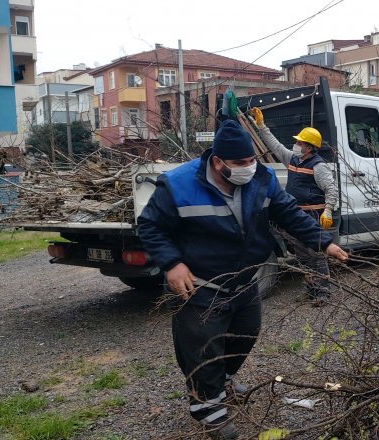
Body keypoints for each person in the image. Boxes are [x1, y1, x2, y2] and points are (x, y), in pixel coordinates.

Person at [137, 119, 348, 439]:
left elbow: (288, 213)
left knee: (244, 335)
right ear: (218, 162)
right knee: (202, 349)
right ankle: (209, 409)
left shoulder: (260, 179)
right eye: (240, 163)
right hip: (201, 285)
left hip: (244, 282)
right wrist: (171, 263)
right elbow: (151, 226)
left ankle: (222, 380)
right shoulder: (179, 184)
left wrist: (324, 241)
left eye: (251, 160)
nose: (249, 167)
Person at [249, 107, 339, 306]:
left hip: (314, 217)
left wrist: (328, 210)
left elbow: (331, 189)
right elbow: (274, 145)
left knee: (316, 256)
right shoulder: (293, 159)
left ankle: (323, 293)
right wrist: (261, 126)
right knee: (302, 257)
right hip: (297, 217)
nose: (296, 144)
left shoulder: (319, 166)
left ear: (309, 147)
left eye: (300, 142)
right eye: (297, 142)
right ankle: (311, 290)